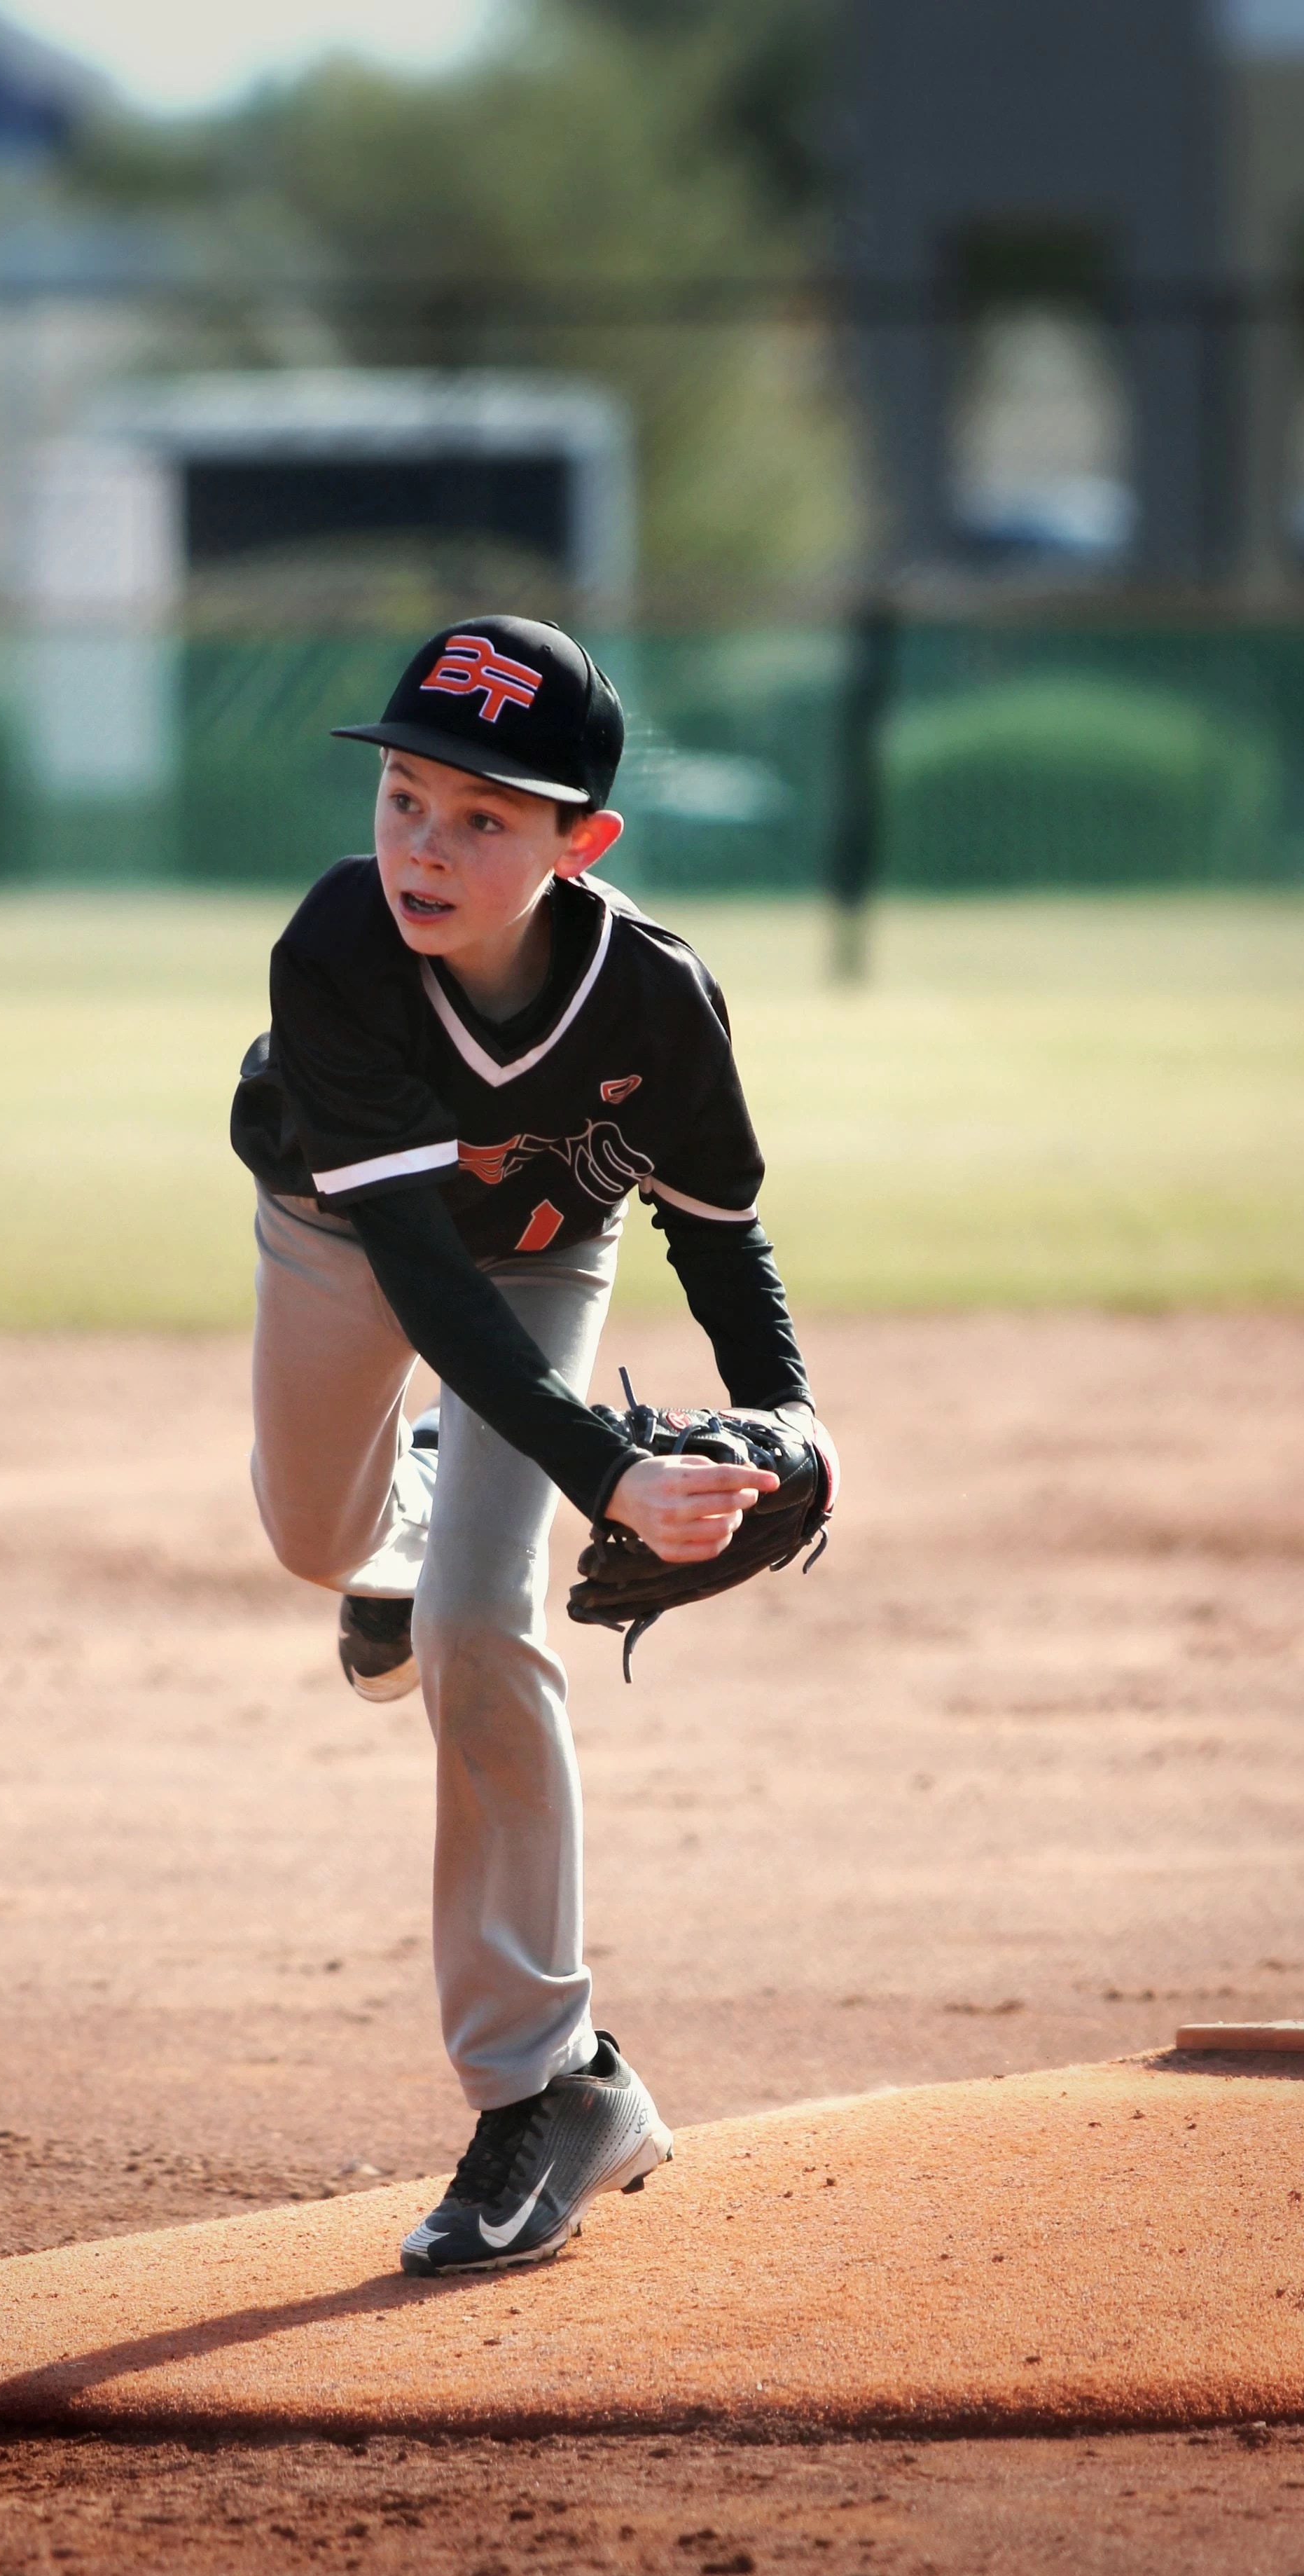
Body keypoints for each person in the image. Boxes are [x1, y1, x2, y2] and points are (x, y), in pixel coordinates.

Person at [230, 616, 826, 2277]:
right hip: (347, 1235)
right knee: (311, 1535)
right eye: (408, 795)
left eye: (484, 817)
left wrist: (788, 1415)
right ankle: (404, 1516)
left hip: (552, 1257)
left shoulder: (658, 996)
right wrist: (610, 1473)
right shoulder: (341, 949)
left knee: (485, 1624)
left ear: (583, 841)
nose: (425, 842)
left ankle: (548, 2086)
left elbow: (721, 1235)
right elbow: (420, 1270)